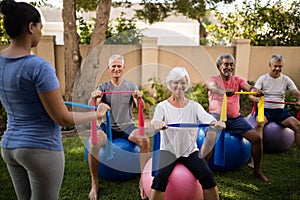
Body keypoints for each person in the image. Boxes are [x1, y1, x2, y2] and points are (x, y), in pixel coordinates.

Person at [0, 0, 110, 199]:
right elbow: (63, 118)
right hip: (39, 148)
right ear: (31, 27)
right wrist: (98, 114)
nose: (41, 33)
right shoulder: (39, 67)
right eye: (40, 27)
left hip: (9, 146)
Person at [150, 66, 225, 200]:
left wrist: (217, 123)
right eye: (176, 82)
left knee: (208, 176)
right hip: (168, 151)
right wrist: (158, 124)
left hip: (190, 151)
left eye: (183, 82)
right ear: (170, 84)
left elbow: (208, 119)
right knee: (160, 179)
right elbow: (155, 121)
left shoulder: (194, 106)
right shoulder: (162, 106)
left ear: (187, 84)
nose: (179, 86)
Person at [88, 54, 151, 200]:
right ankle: (94, 183)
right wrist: (96, 97)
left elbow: (139, 107)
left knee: (145, 141)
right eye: (113, 66)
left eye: (119, 66)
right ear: (109, 69)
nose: (116, 69)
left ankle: (143, 180)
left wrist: (138, 98)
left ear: (123, 68)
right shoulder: (103, 87)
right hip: (107, 126)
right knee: (94, 143)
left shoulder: (131, 86)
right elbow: (96, 107)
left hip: (126, 126)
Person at [206, 54, 271, 183]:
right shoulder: (213, 79)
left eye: (231, 64)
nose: (229, 67)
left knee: (256, 139)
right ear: (219, 66)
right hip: (217, 116)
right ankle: (202, 172)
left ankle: (257, 172)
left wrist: (255, 90)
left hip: (235, 118)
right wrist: (223, 91)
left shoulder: (238, 80)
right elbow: (212, 87)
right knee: (209, 140)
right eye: (226, 64)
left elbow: (248, 87)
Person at [249, 54, 300, 146]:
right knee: (259, 123)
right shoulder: (263, 78)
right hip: (264, 110)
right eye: (275, 66)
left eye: (279, 66)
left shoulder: (286, 79)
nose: (277, 68)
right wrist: (255, 98)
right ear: (270, 65)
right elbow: (251, 95)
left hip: (280, 112)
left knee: (297, 125)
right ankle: (258, 150)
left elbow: (296, 93)